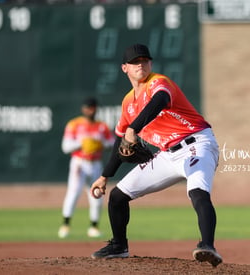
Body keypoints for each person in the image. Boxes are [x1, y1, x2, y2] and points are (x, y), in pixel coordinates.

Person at [89, 44, 222, 267]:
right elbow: (120, 142)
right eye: (134, 62)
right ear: (124, 68)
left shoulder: (158, 83)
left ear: (150, 64)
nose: (140, 64)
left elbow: (160, 101)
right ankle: (119, 246)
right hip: (166, 155)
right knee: (118, 196)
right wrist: (104, 176)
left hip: (196, 142)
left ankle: (208, 246)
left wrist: (134, 128)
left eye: (144, 60)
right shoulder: (127, 103)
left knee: (197, 191)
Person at [58, 97, 114, 239]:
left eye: (93, 107)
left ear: (96, 108)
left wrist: (100, 143)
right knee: (74, 192)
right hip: (79, 163)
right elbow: (65, 147)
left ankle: (93, 227)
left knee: (96, 195)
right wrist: (82, 143)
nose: (90, 109)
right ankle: (65, 225)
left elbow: (112, 143)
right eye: (88, 107)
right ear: (83, 109)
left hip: (95, 163)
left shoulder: (102, 126)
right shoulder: (74, 124)